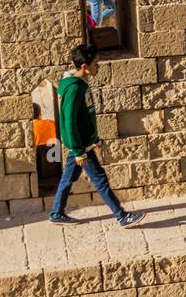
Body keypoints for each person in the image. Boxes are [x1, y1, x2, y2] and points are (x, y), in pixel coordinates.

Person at [48, 43, 144, 227]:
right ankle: (122, 216)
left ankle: (56, 213)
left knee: (68, 178)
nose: (98, 67)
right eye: (96, 64)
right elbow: (69, 122)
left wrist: (94, 139)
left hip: (85, 143)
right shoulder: (75, 89)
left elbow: (85, 117)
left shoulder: (79, 84)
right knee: (100, 180)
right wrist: (78, 151)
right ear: (84, 66)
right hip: (81, 146)